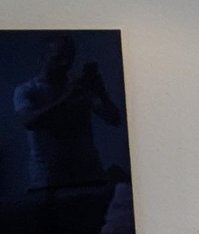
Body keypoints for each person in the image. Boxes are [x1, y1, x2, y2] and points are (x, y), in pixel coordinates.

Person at [12, 33, 122, 190]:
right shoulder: (26, 90)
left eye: (70, 58)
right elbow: (28, 121)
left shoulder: (79, 87)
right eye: (58, 58)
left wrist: (100, 91)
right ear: (42, 59)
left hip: (89, 174)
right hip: (49, 179)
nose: (65, 64)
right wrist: (66, 97)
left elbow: (113, 119)